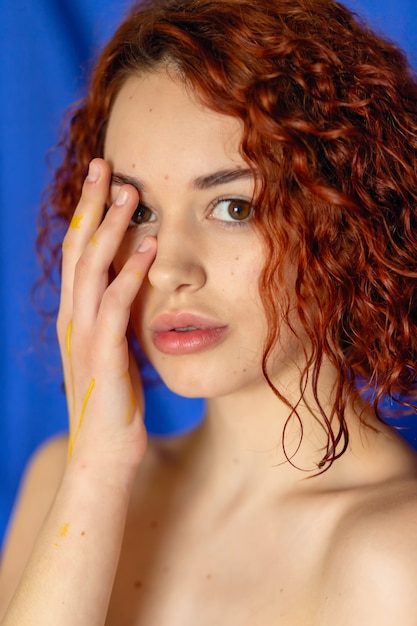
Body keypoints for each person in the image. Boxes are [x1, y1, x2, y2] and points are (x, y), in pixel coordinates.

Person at [1, 0, 417, 622]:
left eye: (233, 208)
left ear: (347, 214)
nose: (168, 269)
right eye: (136, 212)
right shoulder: (62, 480)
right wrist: (96, 471)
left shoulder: (396, 555)